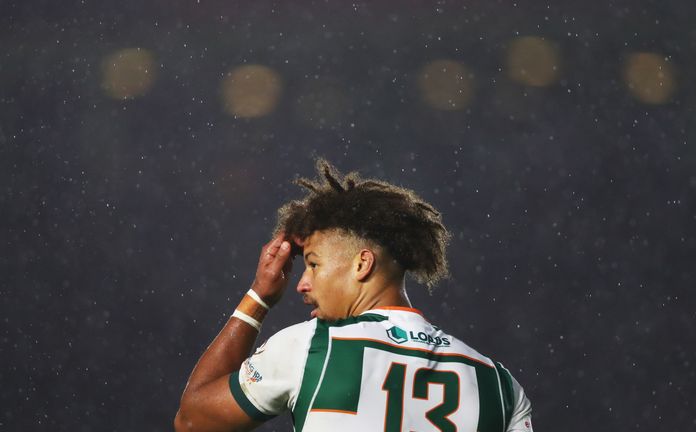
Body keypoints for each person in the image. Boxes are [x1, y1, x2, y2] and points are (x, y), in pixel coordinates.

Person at [174, 160, 533, 432]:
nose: (302, 284)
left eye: (313, 264)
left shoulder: (311, 348)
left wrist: (258, 297)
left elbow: (192, 421)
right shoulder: (501, 386)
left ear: (362, 264)